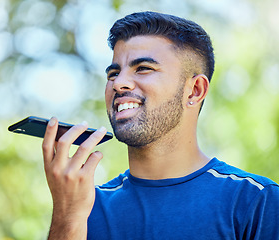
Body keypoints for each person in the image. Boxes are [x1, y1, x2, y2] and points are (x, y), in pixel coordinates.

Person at [41, 11, 279, 239]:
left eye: (143, 68)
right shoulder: (85, 208)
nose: (118, 83)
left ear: (195, 90)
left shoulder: (256, 201)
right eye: (113, 73)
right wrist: (67, 217)